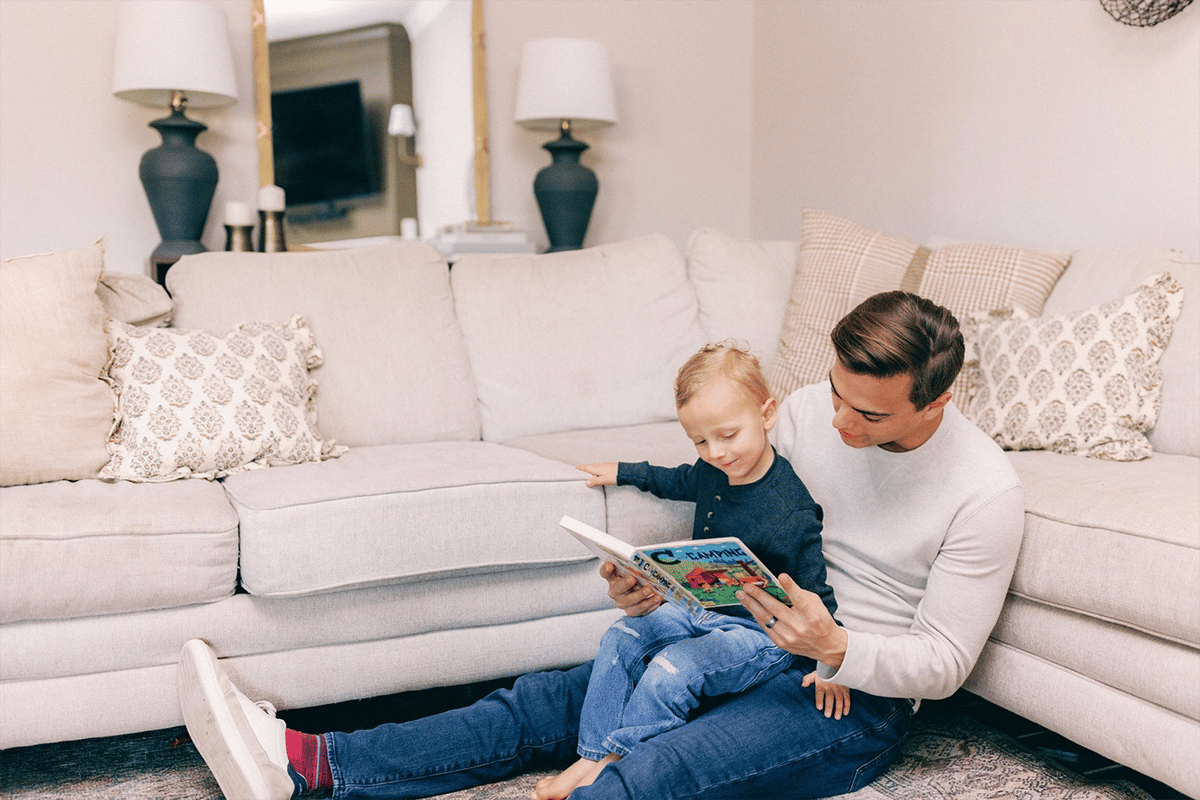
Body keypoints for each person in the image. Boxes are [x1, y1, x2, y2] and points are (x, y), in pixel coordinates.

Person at [178, 290, 1024, 800]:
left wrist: (839, 647)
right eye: (837, 395)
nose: (838, 423)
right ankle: (313, 767)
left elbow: (945, 663)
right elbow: (737, 506)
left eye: (868, 415)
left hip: (845, 697)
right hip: (743, 637)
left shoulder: (982, 492)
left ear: (937, 402)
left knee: (654, 773)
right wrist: (664, 587)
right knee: (551, 701)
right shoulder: (805, 412)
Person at [531, 342, 843, 800]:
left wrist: (831, 665)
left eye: (728, 435)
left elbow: (819, 599)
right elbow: (676, 479)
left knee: (672, 669)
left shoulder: (791, 509)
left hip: (760, 635)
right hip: (700, 610)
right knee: (623, 636)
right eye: (700, 440)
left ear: (768, 414)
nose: (715, 452)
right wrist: (623, 471)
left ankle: (619, 764)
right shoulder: (713, 470)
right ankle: (592, 755)